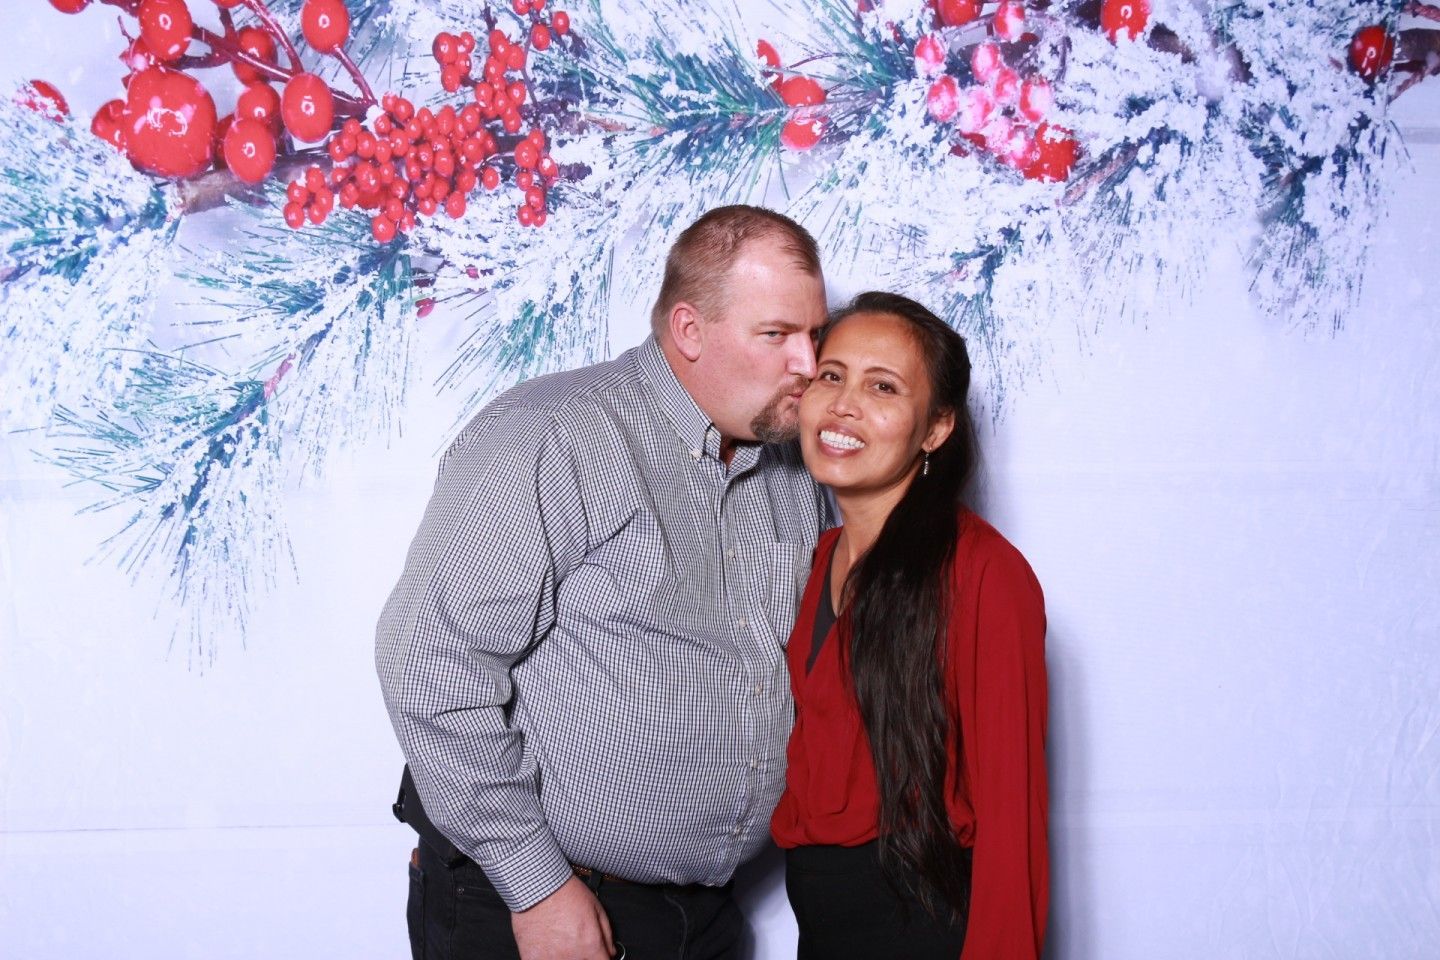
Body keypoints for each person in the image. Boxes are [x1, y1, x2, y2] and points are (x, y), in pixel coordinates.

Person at [375, 205, 832, 960]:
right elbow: (427, 663)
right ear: (689, 331)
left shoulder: (788, 468)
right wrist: (539, 888)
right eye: (778, 335)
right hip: (540, 904)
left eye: (814, 334)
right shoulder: (553, 434)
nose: (809, 364)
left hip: (703, 917)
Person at [770, 292, 1049, 959]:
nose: (843, 404)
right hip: (823, 925)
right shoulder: (817, 562)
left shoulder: (983, 573)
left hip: (922, 924)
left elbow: (1015, 820)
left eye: (882, 387)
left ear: (935, 429)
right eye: (831, 376)